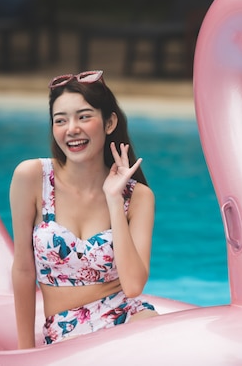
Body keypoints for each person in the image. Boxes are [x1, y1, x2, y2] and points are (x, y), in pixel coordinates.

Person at [10, 70, 158, 348]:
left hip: (127, 319)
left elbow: (134, 286)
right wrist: (24, 352)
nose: (72, 129)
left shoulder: (137, 197)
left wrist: (114, 199)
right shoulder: (32, 178)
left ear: (109, 122)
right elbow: (23, 270)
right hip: (64, 330)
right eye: (60, 120)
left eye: (84, 116)